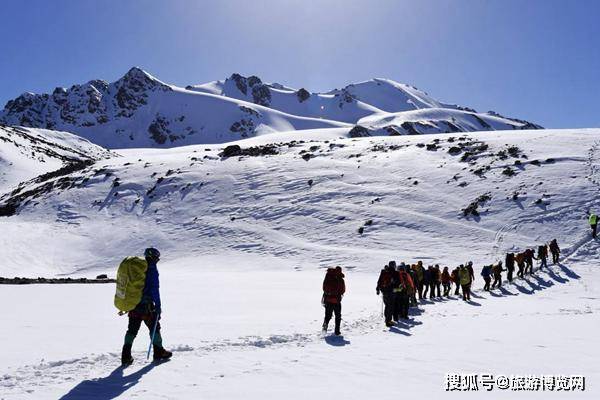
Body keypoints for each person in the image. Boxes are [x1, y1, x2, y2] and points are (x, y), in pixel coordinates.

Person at [121, 248, 172, 365]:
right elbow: (154, 289)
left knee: (132, 330)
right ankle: (159, 351)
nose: (158, 260)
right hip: (147, 306)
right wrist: (158, 306)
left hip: (134, 304)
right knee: (155, 327)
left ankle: (125, 355)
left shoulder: (138, 268)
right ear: (154, 257)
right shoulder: (152, 269)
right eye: (157, 257)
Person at [322, 266, 346, 335]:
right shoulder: (341, 279)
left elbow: (324, 287)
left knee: (328, 315)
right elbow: (343, 290)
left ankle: (325, 327)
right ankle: (337, 331)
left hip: (328, 299)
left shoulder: (328, 277)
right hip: (337, 301)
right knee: (338, 316)